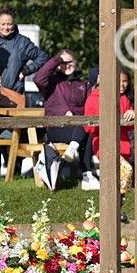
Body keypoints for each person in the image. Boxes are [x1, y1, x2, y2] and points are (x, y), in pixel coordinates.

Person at [0, 6, 50, 176]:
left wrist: (26, 71)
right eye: (3, 24)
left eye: (10, 24)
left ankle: (14, 170)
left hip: (15, 96)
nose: (6, 28)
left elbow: (42, 57)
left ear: (14, 25)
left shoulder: (22, 42)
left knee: (15, 132)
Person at [32, 50, 93, 184]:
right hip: (56, 128)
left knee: (87, 130)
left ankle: (84, 172)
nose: (67, 65)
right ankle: (87, 176)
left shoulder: (84, 85)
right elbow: (37, 78)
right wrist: (57, 60)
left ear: (75, 63)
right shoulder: (51, 82)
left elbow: (90, 107)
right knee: (86, 130)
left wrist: (74, 113)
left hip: (78, 126)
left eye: (70, 62)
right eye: (63, 62)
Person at [83, 68, 134, 194]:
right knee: (126, 170)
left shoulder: (124, 99)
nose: (122, 84)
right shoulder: (94, 98)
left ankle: (116, 204)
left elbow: (130, 126)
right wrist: (106, 118)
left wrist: (132, 113)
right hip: (105, 145)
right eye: (119, 81)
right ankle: (116, 200)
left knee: (116, 180)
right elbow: (89, 127)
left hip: (123, 146)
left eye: (125, 81)